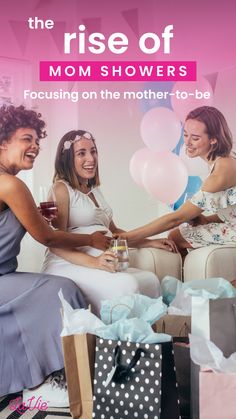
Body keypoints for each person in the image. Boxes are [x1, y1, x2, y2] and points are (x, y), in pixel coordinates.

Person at [0, 105, 112, 405]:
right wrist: (91, 239)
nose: (35, 146)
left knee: (48, 289)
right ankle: (59, 378)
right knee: (62, 289)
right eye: (27, 139)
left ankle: (37, 377)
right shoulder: (10, 184)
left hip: (5, 275)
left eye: (37, 140)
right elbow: (47, 237)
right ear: (3, 142)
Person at [41, 129, 177, 314]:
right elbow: (56, 243)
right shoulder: (61, 189)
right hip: (68, 264)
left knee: (150, 280)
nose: (91, 158)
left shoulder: (94, 190)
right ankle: (121, 339)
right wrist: (95, 261)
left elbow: (114, 233)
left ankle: (151, 339)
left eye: (93, 151)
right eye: (81, 153)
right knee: (126, 285)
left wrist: (149, 242)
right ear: (67, 159)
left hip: (99, 261)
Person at [120, 106, 236, 257]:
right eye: (185, 134)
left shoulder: (219, 173)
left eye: (195, 138)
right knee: (179, 232)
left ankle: (186, 279)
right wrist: (206, 220)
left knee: (175, 236)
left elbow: (175, 219)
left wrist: (126, 238)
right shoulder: (226, 160)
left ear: (213, 139)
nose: (187, 142)